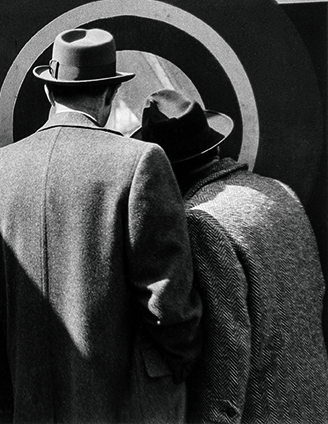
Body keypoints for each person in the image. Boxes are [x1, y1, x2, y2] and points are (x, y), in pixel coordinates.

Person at [0, 29, 203, 423]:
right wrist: (181, 366)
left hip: (30, 406)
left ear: (48, 92)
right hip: (123, 406)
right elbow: (168, 304)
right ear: (109, 97)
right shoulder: (139, 162)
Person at [136, 88, 328, 423]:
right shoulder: (278, 191)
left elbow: (226, 354)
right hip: (309, 404)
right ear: (213, 144)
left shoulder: (200, 222)